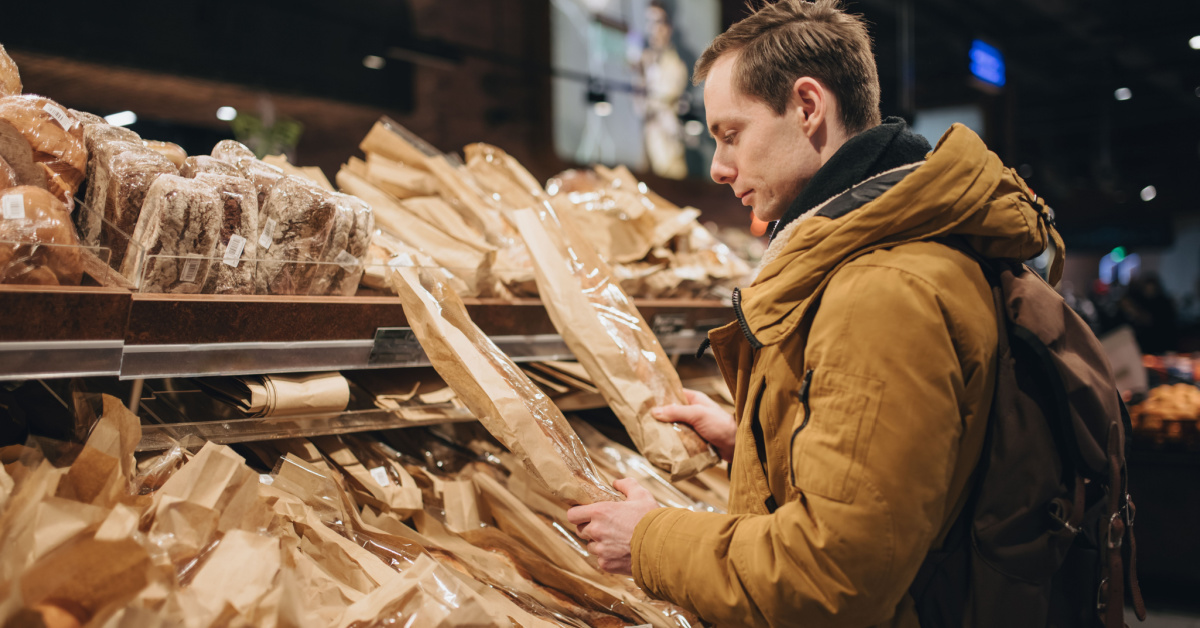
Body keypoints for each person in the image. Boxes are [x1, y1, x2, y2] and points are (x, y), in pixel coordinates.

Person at [566, 1, 1063, 626]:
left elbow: (832, 575)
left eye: (730, 133)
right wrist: (752, 439)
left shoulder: (882, 289)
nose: (719, 167)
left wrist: (648, 540)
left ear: (807, 107)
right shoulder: (889, 254)